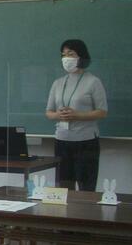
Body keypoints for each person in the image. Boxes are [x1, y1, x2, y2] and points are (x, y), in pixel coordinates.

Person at [45, 39, 107, 191]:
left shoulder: (93, 82)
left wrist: (77, 115)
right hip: (62, 141)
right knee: (63, 187)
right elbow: (49, 112)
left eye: (70, 54)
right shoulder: (58, 83)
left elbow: (102, 112)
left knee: (86, 187)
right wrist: (59, 115)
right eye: (63, 55)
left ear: (81, 56)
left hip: (86, 142)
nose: (66, 58)